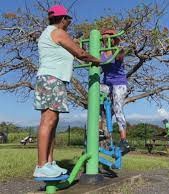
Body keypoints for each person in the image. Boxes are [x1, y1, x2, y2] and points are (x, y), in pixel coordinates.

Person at [33, 5, 100, 178]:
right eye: (68, 19)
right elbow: (80, 53)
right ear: (63, 19)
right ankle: (41, 165)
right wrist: (97, 60)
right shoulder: (57, 32)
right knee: (48, 120)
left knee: (53, 121)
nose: (69, 22)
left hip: (53, 79)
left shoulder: (49, 33)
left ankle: (49, 163)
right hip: (51, 79)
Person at [99, 29, 130, 155]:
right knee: (96, 96)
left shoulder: (119, 50)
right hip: (106, 84)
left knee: (117, 109)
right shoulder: (100, 52)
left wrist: (111, 44)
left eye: (109, 38)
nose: (106, 41)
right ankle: (100, 129)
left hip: (119, 84)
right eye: (104, 39)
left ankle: (124, 140)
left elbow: (116, 57)